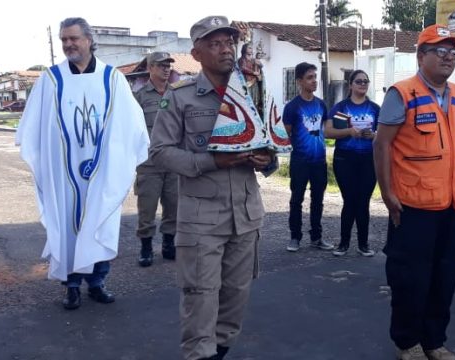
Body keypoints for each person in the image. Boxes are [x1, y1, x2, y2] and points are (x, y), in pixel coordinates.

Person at [148, 16, 275, 360]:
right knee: (201, 297)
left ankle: (218, 353)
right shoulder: (181, 97)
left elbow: (268, 143)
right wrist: (209, 162)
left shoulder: (250, 92)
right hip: (201, 219)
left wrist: (266, 160)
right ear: (197, 52)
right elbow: (159, 152)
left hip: (245, 215)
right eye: (215, 43)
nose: (225, 49)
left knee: (236, 296)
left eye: (229, 42)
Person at [15, 17, 149, 310]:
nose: (68, 45)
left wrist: (119, 156)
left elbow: (131, 124)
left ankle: (98, 282)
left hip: (102, 168)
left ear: (89, 40)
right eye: (64, 40)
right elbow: (34, 128)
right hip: (64, 172)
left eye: (73, 38)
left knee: (100, 217)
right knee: (67, 224)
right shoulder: (51, 81)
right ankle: (72, 286)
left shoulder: (111, 78)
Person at [374, 24, 455, 360]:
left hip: (451, 203)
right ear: (421, 55)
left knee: (445, 277)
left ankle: (434, 341)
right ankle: (408, 342)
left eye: (453, 52)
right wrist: (388, 194)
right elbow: (382, 145)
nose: (448, 58)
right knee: (410, 278)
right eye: (440, 51)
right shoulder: (401, 93)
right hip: (413, 205)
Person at [325, 70, 380, 256]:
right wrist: (349, 132)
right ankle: (343, 243)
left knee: (363, 202)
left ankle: (363, 244)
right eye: (359, 81)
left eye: (366, 81)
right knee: (349, 201)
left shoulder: (375, 108)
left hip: (368, 160)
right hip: (345, 159)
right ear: (350, 85)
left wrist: (373, 135)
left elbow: (386, 134)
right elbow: (327, 131)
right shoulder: (341, 107)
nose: (363, 84)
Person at [133, 51, 178, 267]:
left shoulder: (177, 94)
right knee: (147, 208)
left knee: (174, 206)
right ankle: (146, 247)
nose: (166, 69)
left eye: (168, 65)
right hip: (149, 164)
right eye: (161, 65)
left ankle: (169, 244)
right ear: (150, 68)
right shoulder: (139, 97)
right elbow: (131, 131)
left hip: (173, 161)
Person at [283, 62, 333, 252]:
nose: (314, 81)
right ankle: (295, 237)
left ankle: (316, 237)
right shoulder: (292, 107)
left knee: (318, 200)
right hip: (300, 162)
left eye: (315, 77)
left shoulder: (321, 104)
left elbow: (325, 130)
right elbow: (285, 135)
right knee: (297, 200)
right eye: (309, 77)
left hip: (319, 161)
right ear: (299, 81)